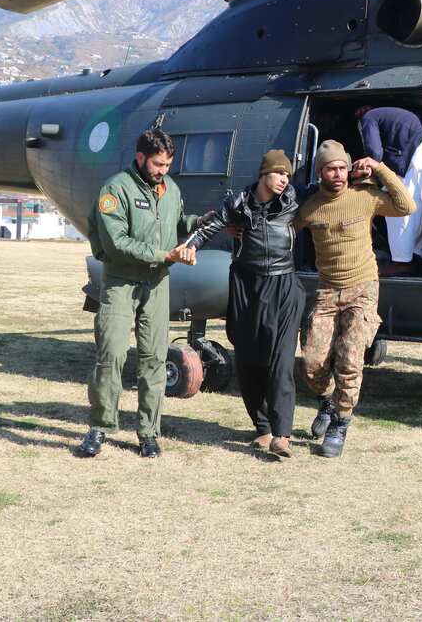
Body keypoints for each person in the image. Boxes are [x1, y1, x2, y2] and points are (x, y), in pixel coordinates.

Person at [78, 128, 205, 459]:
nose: (162, 170)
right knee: (112, 354)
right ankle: (100, 426)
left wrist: (198, 222)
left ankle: (148, 431)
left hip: (157, 284)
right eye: (157, 164)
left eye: (167, 165)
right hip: (121, 281)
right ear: (140, 158)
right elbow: (115, 242)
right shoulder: (116, 190)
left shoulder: (170, 189)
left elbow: (175, 223)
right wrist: (166, 255)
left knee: (154, 358)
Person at [294, 139, 415, 457]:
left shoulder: (365, 196)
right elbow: (283, 227)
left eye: (341, 168)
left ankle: (340, 423)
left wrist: (379, 168)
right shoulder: (310, 206)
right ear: (320, 172)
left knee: (349, 358)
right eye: (330, 169)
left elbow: (406, 206)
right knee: (311, 362)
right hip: (326, 291)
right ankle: (329, 401)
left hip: (362, 288)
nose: (337, 174)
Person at [191, 149, 304, 459]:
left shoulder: (294, 200)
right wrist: (189, 248)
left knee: (281, 360)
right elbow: (209, 227)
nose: (284, 179)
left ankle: (282, 435)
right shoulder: (237, 203)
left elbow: (331, 192)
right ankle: (264, 428)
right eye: (279, 173)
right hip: (246, 284)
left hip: (283, 285)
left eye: (287, 175)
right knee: (248, 358)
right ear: (263, 173)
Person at [355, 106, 422, 271]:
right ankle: (417, 256)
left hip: (417, 153)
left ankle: (401, 262)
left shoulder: (369, 118)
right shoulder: (391, 114)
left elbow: (375, 152)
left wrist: (367, 173)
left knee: (399, 209)